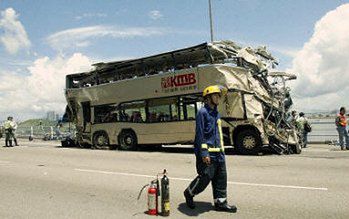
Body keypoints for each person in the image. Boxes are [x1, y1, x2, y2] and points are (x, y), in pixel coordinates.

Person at [183, 85, 237, 213]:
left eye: (219, 96)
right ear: (208, 98)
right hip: (208, 154)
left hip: (219, 153)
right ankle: (189, 193)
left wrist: (222, 150)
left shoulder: (216, 113)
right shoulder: (202, 113)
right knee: (205, 178)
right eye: (216, 95)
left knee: (221, 178)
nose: (218, 98)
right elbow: (200, 134)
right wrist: (204, 153)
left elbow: (217, 134)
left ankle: (221, 203)